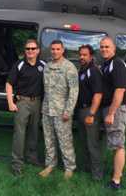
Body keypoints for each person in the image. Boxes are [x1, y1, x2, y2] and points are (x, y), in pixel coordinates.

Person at [39, 40, 78, 180]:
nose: (55, 51)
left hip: (62, 111)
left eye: (57, 49)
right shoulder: (47, 66)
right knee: (48, 139)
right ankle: (50, 164)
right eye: (53, 49)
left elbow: (74, 90)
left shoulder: (69, 67)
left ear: (63, 50)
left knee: (65, 140)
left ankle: (69, 167)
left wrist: (68, 110)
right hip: (47, 109)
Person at [6, 39, 46, 176]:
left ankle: (32, 158)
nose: (30, 51)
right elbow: (9, 84)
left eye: (33, 48)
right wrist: (11, 102)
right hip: (22, 102)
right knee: (20, 134)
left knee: (34, 132)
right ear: (25, 51)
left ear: (38, 51)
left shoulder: (43, 65)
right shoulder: (19, 64)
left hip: (37, 102)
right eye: (28, 49)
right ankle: (17, 165)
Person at [100, 37, 126, 190]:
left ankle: (116, 181)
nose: (104, 49)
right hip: (110, 108)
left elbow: (120, 91)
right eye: (102, 47)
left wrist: (111, 113)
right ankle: (117, 173)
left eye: (107, 46)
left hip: (115, 109)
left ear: (114, 48)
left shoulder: (117, 64)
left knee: (118, 145)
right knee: (115, 142)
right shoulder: (107, 64)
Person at [77, 44, 103, 180]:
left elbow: (98, 94)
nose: (81, 57)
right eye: (80, 54)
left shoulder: (93, 70)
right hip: (81, 110)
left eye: (84, 55)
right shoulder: (82, 70)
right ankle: (87, 168)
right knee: (84, 142)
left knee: (92, 144)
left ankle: (97, 175)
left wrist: (91, 114)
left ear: (91, 56)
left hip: (90, 111)